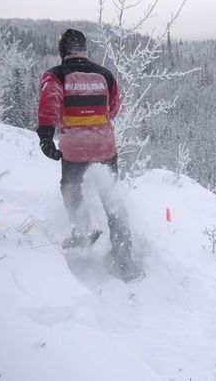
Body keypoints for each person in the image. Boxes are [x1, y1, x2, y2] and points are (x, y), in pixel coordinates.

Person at [36, 28, 143, 282]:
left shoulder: (55, 76)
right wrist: (96, 124)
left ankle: (83, 230)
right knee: (112, 199)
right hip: (105, 147)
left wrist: (46, 136)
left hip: (74, 149)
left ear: (63, 52)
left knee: (71, 188)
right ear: (85, 50)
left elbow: (49, 105)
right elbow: (114, 108)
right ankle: (124, 259)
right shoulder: (105, 75)